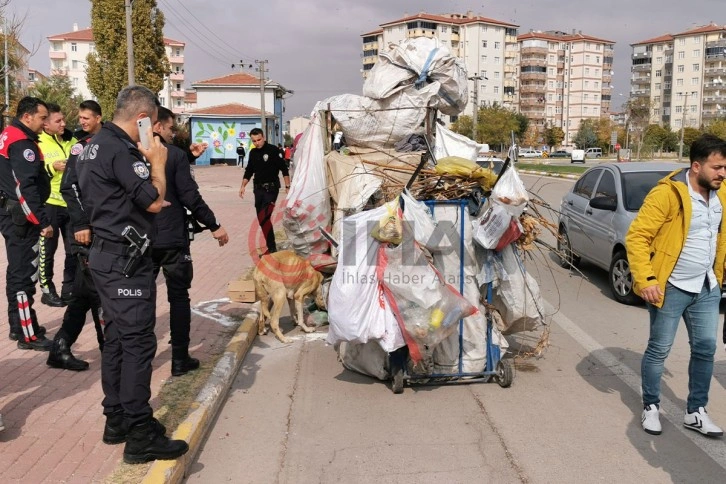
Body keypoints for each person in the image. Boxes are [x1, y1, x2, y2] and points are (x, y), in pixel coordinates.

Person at [77, 85, 188, 463]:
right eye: (154, 125)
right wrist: (157, 162)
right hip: (125, 264)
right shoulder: (122, 151)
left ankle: (117, 419)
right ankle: (139, 434)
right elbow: (155, 201)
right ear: (142, 119)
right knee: (138, 343)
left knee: (118, 340)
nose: (155, 132)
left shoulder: (94, 144)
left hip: (107, 259)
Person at [626, 134, 726, 438]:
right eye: (717, 167)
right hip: (670, 286)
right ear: (696, 166)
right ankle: (652, 406)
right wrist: (646, 279)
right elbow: (637, 237)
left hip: (707, 285)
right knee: (660, 349)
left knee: (706, 349)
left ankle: (696, 411)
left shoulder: (721, 194)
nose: (723, 173)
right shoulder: (667, 195)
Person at [151, 107, 229, 376]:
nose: (174, 134)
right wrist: (214, 225)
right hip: (172, 237)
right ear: (158, 126)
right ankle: (180, 359)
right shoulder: (172, 155)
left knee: (142, 298)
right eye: (171, 128)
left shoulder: (130, 154)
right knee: (179, 298)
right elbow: (190, 197)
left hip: (139, 239)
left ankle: (142, 355)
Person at [49, 100, 106, 371]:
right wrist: (82, 224)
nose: (81, 122)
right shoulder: (79, 147)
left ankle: (60, 347)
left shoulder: (110, 141)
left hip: (104, 229)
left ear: (99, 118)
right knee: (97, 292)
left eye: (86, 117)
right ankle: (110, 349)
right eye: (80, 117)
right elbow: (68, 187)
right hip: (86, 233)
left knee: (84, 293)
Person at [0, 96, 54, 351]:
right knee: (23, 277)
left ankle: (18, 326)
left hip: (11, 214)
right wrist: (42, 221)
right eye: (43, 118)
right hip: (21, 218)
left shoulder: (9, 134)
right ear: (27, 116)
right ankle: (27, 334)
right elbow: (26, 187)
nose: (45, 123)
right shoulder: (23, 143)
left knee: (16, 273)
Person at [37, 103, 77, 307]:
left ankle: (68, 288)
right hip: (49, 204)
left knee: (73, 250)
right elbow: (32, 174)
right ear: (46, 125)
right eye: (58, 121)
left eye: (63, 119)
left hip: (70, 203)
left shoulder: (72, 140)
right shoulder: (38, 142)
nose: (63, 123)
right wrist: (51, 167)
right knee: (48, 249)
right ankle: (47, 289)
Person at [239, 128, 289, 254]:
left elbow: (284, 169)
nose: (257, 143)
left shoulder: (273, 150)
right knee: (262, 220)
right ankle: (271, 247)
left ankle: (272, 248)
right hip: (258, 190)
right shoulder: (253, 152)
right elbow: (249, 170)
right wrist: (243, 185)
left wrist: (288, 186)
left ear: (264, 137)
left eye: (259, 140)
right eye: (254, 141)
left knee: (264, 216)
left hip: (271, 189)